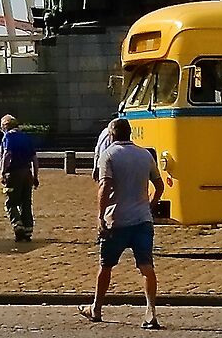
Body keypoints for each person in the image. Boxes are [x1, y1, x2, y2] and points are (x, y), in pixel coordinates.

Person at [84, 116, 164, 327]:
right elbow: (160, 185)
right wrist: (151, 205)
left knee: (106, 266)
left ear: (111, 135)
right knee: (147, 267)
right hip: (142, 219)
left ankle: (97, 308)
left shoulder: (108, 155)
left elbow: (105, 187)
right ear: (130, 133)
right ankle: (150, 311)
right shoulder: (145, 155)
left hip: (116, 219)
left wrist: (100, 216)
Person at [0, 114, 41, 242]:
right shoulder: (26, 137)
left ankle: (18, 226)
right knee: (26, 203)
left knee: (11, 203)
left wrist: (2, 172)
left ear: (5, 126)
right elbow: (34, 159)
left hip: (14, 173)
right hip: (27, 173)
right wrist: (35, 176)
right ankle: (28, 230)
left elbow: (7, 154)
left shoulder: (8, 136)